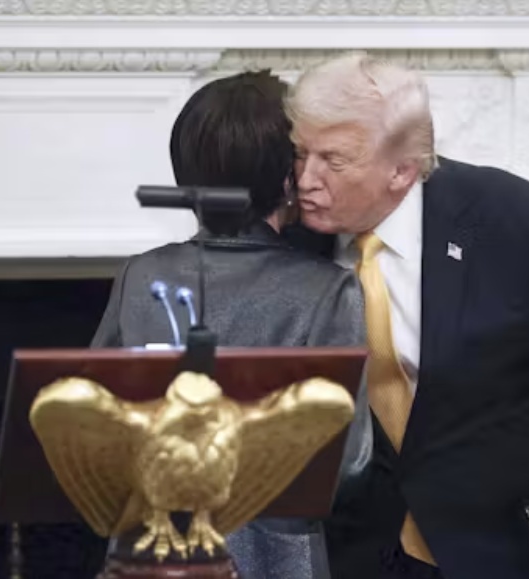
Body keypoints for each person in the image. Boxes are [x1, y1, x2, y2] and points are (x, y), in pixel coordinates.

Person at [282, 52, 529, 579]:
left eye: (333, 161)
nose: (306, 178)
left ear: (402, 170)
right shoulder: (287, 239)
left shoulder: (518, 223)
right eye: (300, 153)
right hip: (358, 553)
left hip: (502, 546)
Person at [91, 69, 371, 579]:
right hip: (276, 562)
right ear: (286, 178)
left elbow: (96, 434)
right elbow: (346, 464)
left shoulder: (140, 276)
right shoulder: (329, 292)